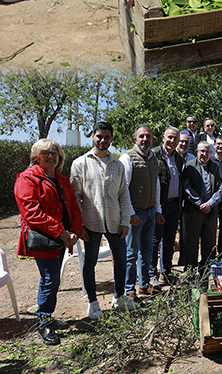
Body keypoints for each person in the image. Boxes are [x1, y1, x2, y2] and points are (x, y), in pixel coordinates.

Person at [15, 139, 82, 346]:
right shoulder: (27, 179)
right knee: (49, 280)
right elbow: (32, 213)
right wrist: (62, 233)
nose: (51, 156)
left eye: (54, 152)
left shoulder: (61, 179)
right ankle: (43, 322)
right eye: (46, 153)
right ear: (36, 157)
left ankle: (47, 316)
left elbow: (73, 206)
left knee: (52, 280)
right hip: (44, 240)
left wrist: (75, 232)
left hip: (62, 238)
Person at [70, 121, 133, 316]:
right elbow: (75, 197)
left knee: (121, 260)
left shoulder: (118, 165)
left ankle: (119, 297)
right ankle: (92, 302)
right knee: (90, 263)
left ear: (112, 139)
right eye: (99, 136)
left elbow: (123, 195)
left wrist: (125, 222)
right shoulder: (81, 163)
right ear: (92, 137)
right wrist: (79, 225)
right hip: (91, 222)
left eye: (107, 137)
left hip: (115, 221)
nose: (103, 140)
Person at [119, 124, 162, 300]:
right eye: (141, 136)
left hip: (150, 211)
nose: (145, 139)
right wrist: (130, 213)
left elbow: (157, 185)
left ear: (152, 139)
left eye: (148, 136)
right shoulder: (127, 157)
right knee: (131, 253)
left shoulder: (154, 159)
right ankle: (129, 289)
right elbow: (124, 188)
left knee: (147, 251)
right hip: (135, 213)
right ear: (135, 139)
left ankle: (144, 285)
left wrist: (157, 209)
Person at [149, 126, 183, 287]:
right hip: (158, 204)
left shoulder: (178, 158)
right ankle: (151, 274)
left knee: (169, 240)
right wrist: (156, 207)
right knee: (155, 240)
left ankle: (166, 272)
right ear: (163, 137)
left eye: (175, 138)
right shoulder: (154, 154)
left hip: (174, 204)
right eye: (169, 137)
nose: (172, 141)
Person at [182, 140, 222, 269]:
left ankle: (205, 271)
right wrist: (200, 203)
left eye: (207, 152)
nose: (204, 154)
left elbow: (220, 188)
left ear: (211, 153)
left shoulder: (215, 167)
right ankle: (190, 271)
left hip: (210, 212)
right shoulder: (189, 166)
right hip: (193, 211)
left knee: (209, 242)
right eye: (202, 151)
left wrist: (210, 204)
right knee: (190, 243)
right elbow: (186, 187)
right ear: (197, 152)